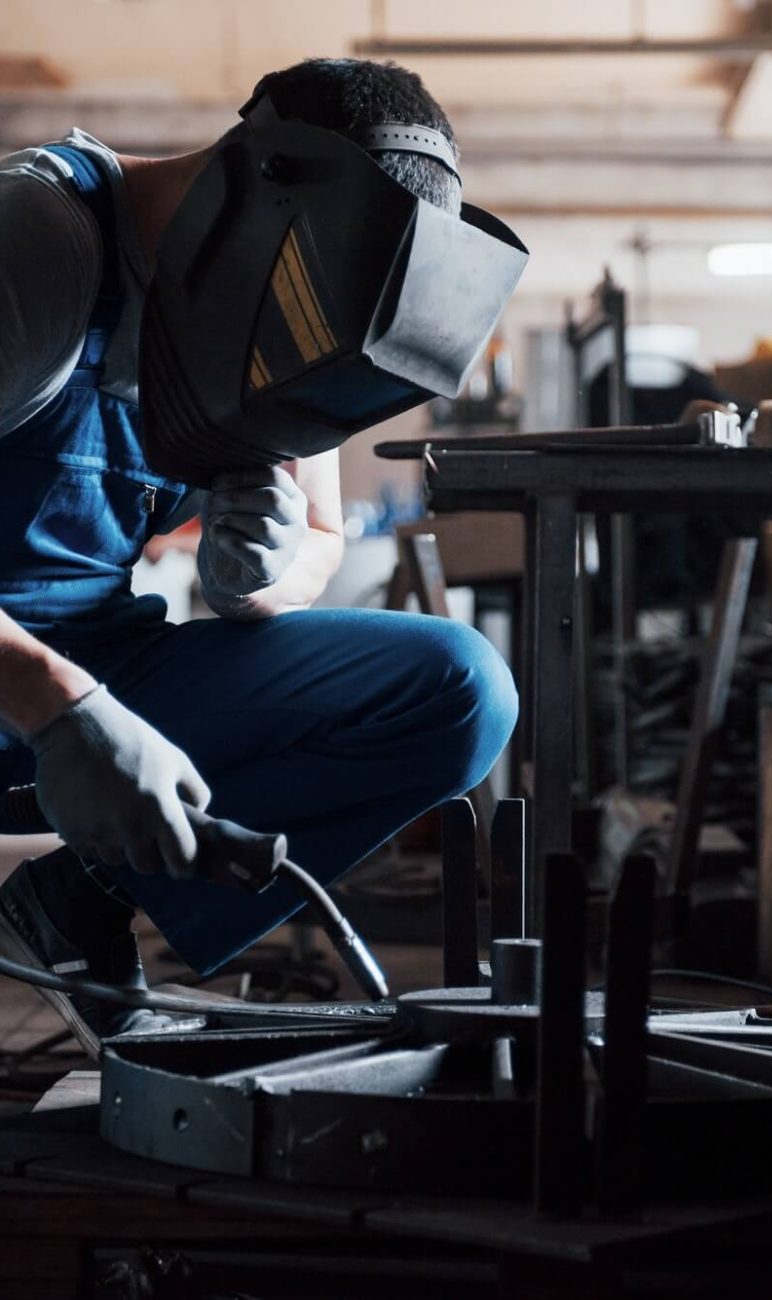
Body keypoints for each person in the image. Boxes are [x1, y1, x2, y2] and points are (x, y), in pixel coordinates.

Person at [0, 57, 520, 1056]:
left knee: (458, 689)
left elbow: (319, 536)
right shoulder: (37, 239)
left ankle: (77, 905)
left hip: (94, 665)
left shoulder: (293, 303)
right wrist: (61, 707)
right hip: (30, 681)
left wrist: (261, 576)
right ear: (256, 184)